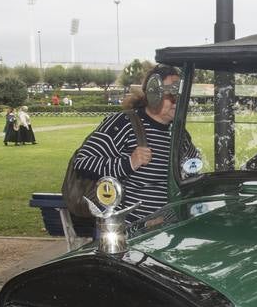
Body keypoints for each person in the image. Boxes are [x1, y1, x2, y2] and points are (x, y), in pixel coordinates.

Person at [66, 64, 191, 224]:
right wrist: (129, 163)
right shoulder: (123, 124)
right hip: (131, 231)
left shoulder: (180, 133)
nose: (176, 101)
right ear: (153, 94)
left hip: (170, 228)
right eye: (171, 94)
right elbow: (83, 163)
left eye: (180, 95)